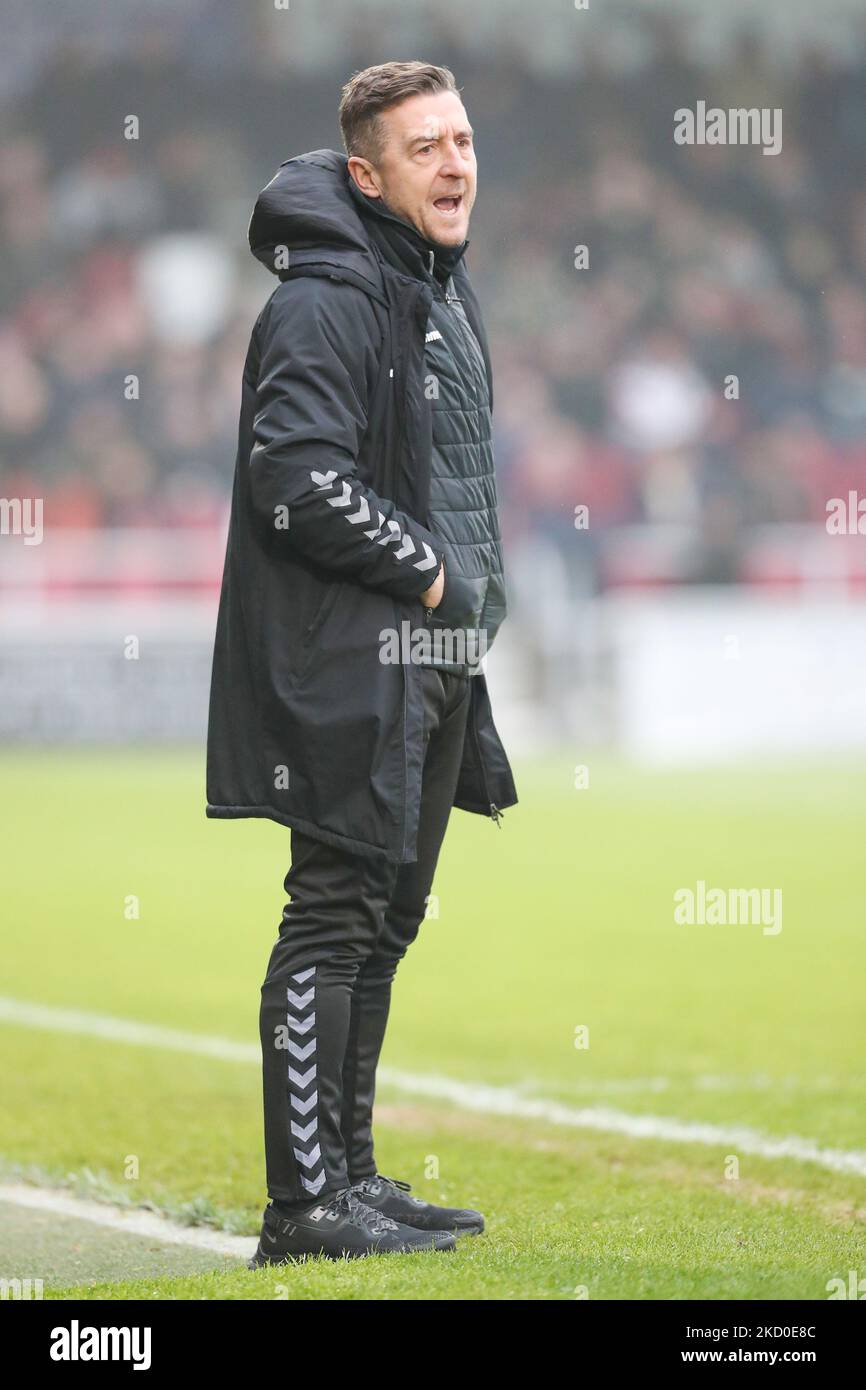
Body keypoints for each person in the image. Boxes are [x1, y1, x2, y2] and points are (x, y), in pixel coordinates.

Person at [206, 60, 517, 1262]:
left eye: (462, 139)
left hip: (432, 657)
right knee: (329, 919)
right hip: (352, 655)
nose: (453, 163)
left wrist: (460, 613)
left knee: (387, 919)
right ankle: (302, 1204)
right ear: (364, 174)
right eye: (424, 147)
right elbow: (292, 481)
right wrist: (433, 571)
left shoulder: (434, 287)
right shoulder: (326, 299)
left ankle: (354, 1176)